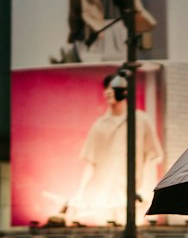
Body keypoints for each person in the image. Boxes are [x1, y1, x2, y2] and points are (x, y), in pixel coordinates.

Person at [65, 73, 164, 225]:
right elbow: (91, 163)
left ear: (125, 91)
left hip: (133, 200)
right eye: (106, 88)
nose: (108, 91)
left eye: (114, 87)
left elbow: (152, 158)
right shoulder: (99, 125)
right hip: (105, 201)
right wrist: (80, 194)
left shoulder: (142, 121)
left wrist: (146, 191)